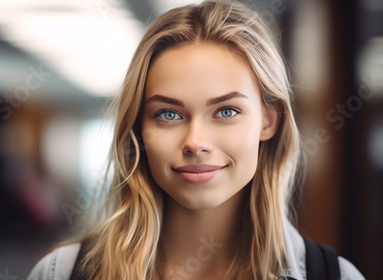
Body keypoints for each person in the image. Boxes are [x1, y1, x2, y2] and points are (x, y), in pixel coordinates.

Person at [27, 0, 365, 279]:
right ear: (137, 128)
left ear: (269, 120)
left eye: (226, 111)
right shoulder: (60, 273)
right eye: (168, 114)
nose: (196, 142)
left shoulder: (336, 276)